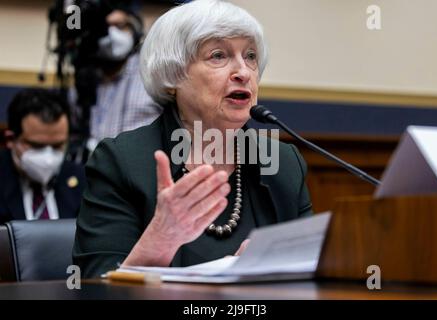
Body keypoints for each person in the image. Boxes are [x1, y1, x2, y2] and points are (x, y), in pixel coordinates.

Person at [73, 0, 313, 278]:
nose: (244, 72)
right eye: (218, 56)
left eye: (250, 56)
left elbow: (311, 275)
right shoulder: (121, 161)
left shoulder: (284, 164)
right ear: (173, 76)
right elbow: (96, 286)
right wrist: (162, 238)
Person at [69, 6, 162, 154]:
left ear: (135, 31)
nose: (112, 34)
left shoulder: (154, 74)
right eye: (105, 28)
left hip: (140, 168)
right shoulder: (83, 79)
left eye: (120, 26)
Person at [0, 88, 86, 223]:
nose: (48, 158)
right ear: (10, 139)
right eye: (37, 146)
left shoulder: (84, 181)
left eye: (57, 146)